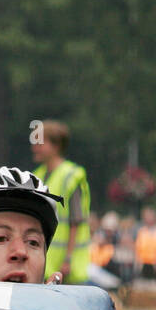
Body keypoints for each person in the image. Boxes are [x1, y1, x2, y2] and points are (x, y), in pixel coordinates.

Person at [31, 119, 91, 284]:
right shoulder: (37, 176)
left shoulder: (72, 176)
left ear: (55, 146)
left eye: (40, 143)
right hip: (45, 262)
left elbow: (75, 222)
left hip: (67, 267)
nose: (34, 147)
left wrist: (68, 259)